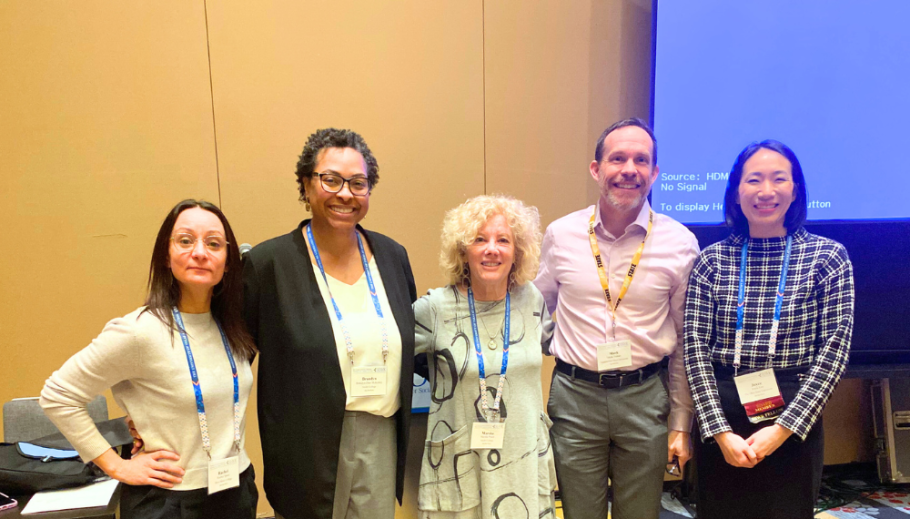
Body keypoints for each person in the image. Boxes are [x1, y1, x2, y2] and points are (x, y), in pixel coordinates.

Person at [40, 199, 259, 518]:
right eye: (185, 240)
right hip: (169, 499)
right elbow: (59, 395)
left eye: (213, 243)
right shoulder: (139, 331)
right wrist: (116, 466)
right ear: (166, 256)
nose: (200, 252)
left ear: (227, 262)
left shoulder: (233, 326)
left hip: (235, 489)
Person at [242, 128, 416, 519]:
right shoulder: (269, 265)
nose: (345, 194)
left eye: (358, 183)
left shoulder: (391, 256)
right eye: (331, 180)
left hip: (381, 433)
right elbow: (231, 361)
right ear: (306, 185)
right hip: (307, 440)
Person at [534, 118, 698, 519]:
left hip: (646, 396)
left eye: (641, 160)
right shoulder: (561, 234)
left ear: (655, 173)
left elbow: (684, 341)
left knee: (640, 514)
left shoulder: (680, 243)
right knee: (578, 512)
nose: (629, 169)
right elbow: (535, 306)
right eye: (617, 158)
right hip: (576, 397)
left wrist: (681, 421)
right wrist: (556, 342)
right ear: (596, 169)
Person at [684, 140, 853, 519]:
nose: (766, 191)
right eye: (753, 180)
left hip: (794, 415)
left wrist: (783, 430)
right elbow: (694, 348)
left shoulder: (828, 257)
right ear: (736, 191)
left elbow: (834, 351)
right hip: (722, 413)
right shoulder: (711, 260)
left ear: (795, 190)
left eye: (779, 179)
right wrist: (719, 432)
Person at [414, 195, 557, 519]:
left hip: (522, 458)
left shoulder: (531, 299)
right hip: (460, 462)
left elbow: (557, 345)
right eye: (480, 239)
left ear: (517, 251)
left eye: (503, 240)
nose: (492, 249)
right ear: (463, 249)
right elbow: (390, 348)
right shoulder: (436, 308)